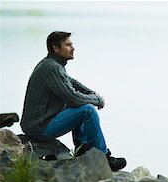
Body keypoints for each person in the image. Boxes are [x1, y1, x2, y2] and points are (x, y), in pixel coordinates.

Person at [20, 31, 126, 171]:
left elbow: (72, 83)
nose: (73, 48)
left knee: (81, 107)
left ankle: (83, 151)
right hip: (40, 127)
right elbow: (74, 98)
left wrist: (91, 93)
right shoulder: (51, 68)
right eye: (68, 45)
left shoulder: (53, 65)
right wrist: (96, 100)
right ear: (56, 48)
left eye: (72, 44)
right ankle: (103, 158)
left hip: (39, 123)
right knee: (87, 110)